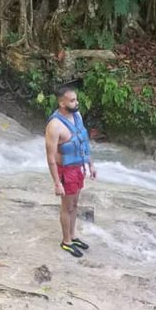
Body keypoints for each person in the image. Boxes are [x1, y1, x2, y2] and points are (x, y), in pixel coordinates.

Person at [44, 86, 96, 258]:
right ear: (62, 103)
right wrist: (57, 182)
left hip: (78, 167)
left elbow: (83, 143)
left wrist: (90, 164)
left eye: (76, 99)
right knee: (67, 206)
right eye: (72, 100)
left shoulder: (77, 116)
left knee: (75, 205)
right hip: (66, 171)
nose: (77, 103)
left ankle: (73, 236)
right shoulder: (54, 126)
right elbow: (51, 157)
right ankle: (66, 241)